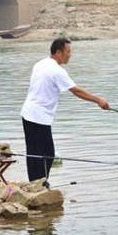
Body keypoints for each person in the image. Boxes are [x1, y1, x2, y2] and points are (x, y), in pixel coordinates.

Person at [20, 38, 109, 184]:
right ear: (58, 52)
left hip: (30, 112)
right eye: (68, 52)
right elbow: (76, 91)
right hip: (38, 115)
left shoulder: (41, 63)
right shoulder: (56, 70)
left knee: (38, 151)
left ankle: (38, 182)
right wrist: (98, 100)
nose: (70, 55)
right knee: (44, 152)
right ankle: (38, 184)